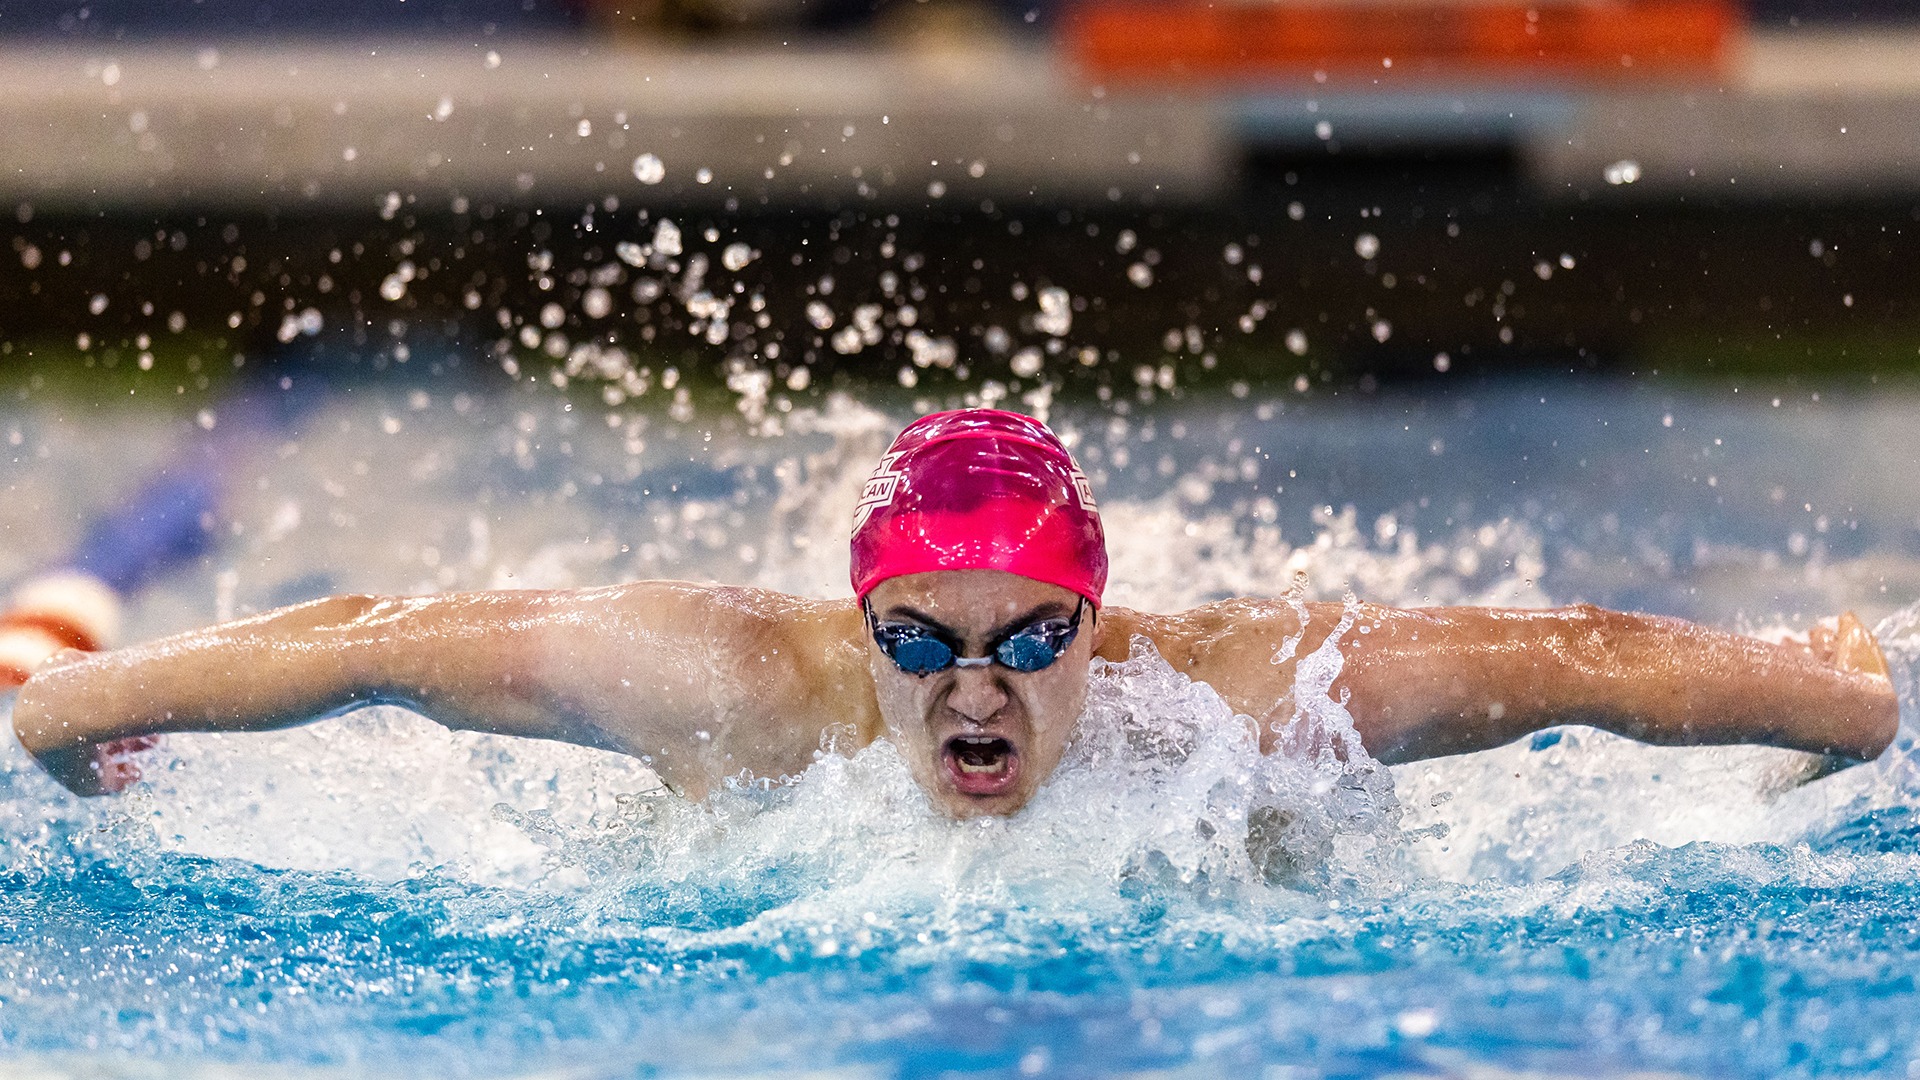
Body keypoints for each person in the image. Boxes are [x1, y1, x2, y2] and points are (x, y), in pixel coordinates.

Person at [8, 409, 1901, 817]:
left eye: (1027, 639)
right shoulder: (730, 682)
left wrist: (1836, 696)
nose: (971, 688)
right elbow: (366, 634)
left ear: (1099, 621)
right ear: (863, 627)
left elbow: (1576, 656)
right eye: (921, 639)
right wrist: (70, 715)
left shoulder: (1240, 696)